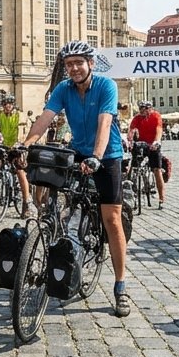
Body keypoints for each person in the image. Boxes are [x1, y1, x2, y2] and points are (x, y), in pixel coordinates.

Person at [23, 41, 132, 317]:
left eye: (78, 63)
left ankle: (120, 286)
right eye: (69, 64)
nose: (73, 68)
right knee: (53, 195)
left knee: (112, 219)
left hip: (107, 156)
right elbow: (45, 118)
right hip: (78, 152)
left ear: (90, 64)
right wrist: (26, 145)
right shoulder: (63, 89)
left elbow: (104, 123)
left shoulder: (106, 86)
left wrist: (96, 156)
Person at [129, 101, 167, 205]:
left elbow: (159, 129)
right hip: (140, 144)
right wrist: (130, 140)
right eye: (140, 108)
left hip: (153, 145)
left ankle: (161, 197)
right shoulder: (137, 118)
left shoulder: (156, 116)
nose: (142, 111)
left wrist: (157, 141)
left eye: (144, 109)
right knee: (133, 167)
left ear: (150, 109)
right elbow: (132, 130)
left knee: (157, 170)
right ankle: (130, 190)